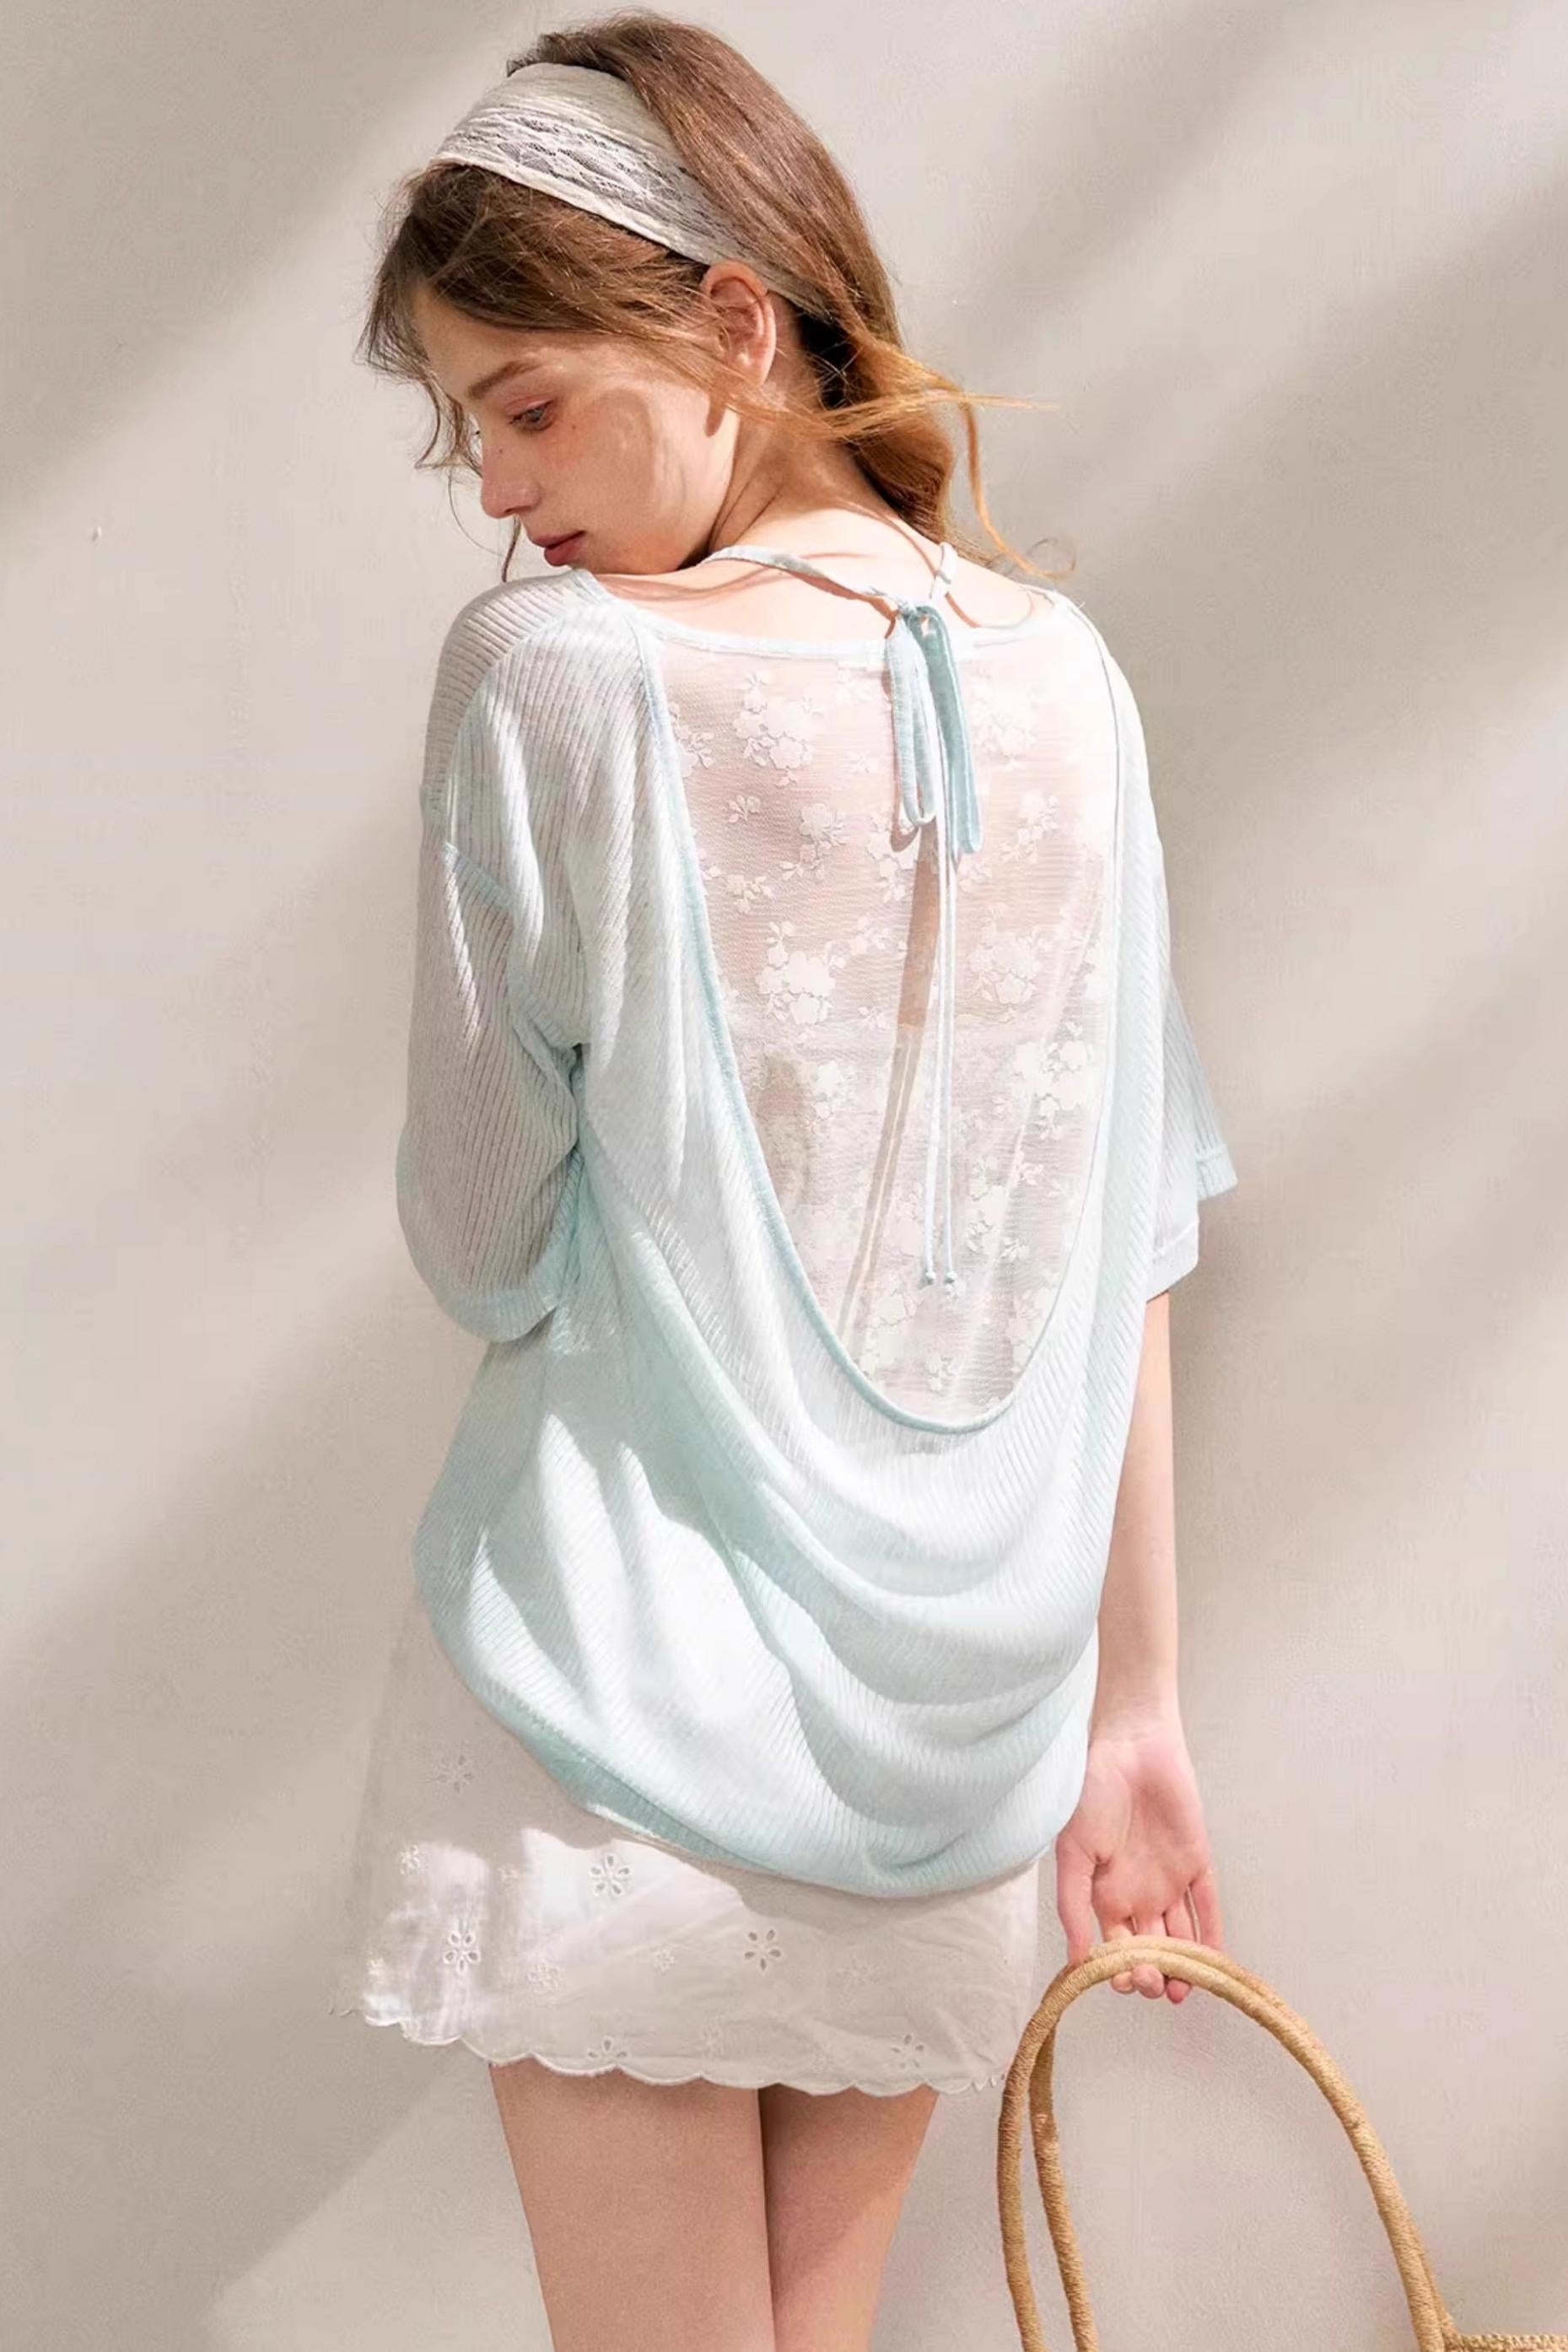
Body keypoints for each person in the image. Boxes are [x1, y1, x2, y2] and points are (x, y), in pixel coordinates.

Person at [328, 15, 1240, 2349]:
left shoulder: (554, 675)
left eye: (527, 404)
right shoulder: (1071, 677)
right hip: (961, 1732)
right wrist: (1136, 1710)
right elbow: (1124, 1238)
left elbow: (476, 1235)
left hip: (610, 1683)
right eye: (464, 431)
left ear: (736, 324)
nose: (495, 485)